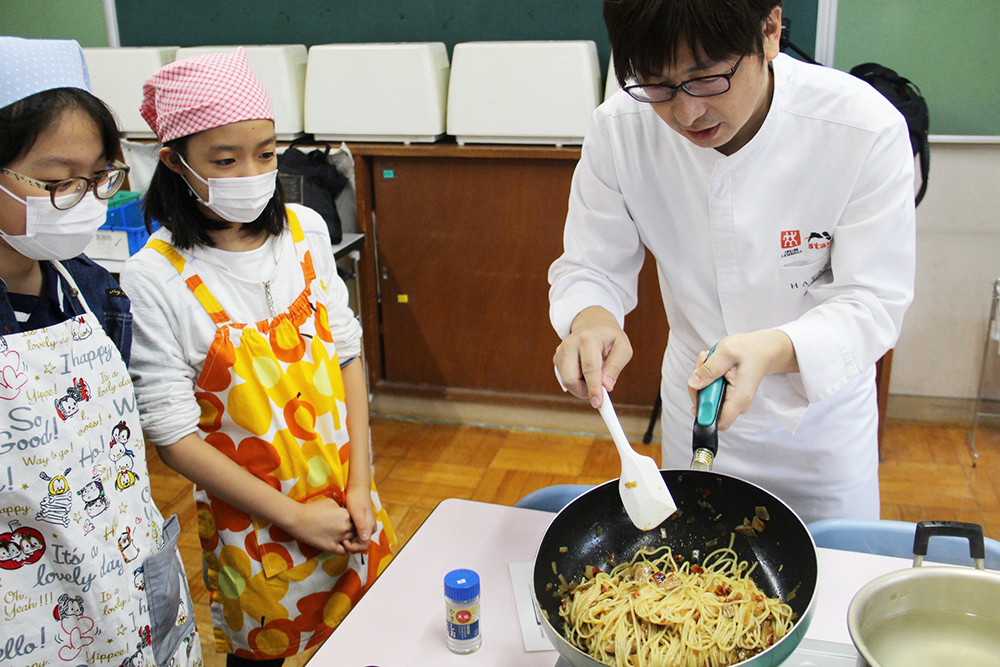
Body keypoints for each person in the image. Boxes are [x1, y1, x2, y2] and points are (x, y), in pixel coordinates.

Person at [549, 0, 916, 523]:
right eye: (656, 85)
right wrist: (591, 320)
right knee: (697, 580)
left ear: (769, 30)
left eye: (706, 80)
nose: (685, 113)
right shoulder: (619, 130)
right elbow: (589, 264)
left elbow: (874, 300)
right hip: (694, 415)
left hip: (819, 434)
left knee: (828, 578)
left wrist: (773, 348)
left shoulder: (860, 129)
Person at [119, 48, 396, 666]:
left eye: (265, 153)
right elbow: (172, 437)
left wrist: (358, 482)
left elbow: (347, 356)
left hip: (350, 503)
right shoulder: (154, 278)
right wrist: (295, 518)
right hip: (257, 525)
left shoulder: (306, 233)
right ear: (175, 162)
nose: (252, 172)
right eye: (224, 159)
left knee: (371, 639)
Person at [0, 36, 202, 667]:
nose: (85, 201)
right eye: (59, 181)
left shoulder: (90, 289)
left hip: (131, 580)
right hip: (30, 615)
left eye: (99, 178)